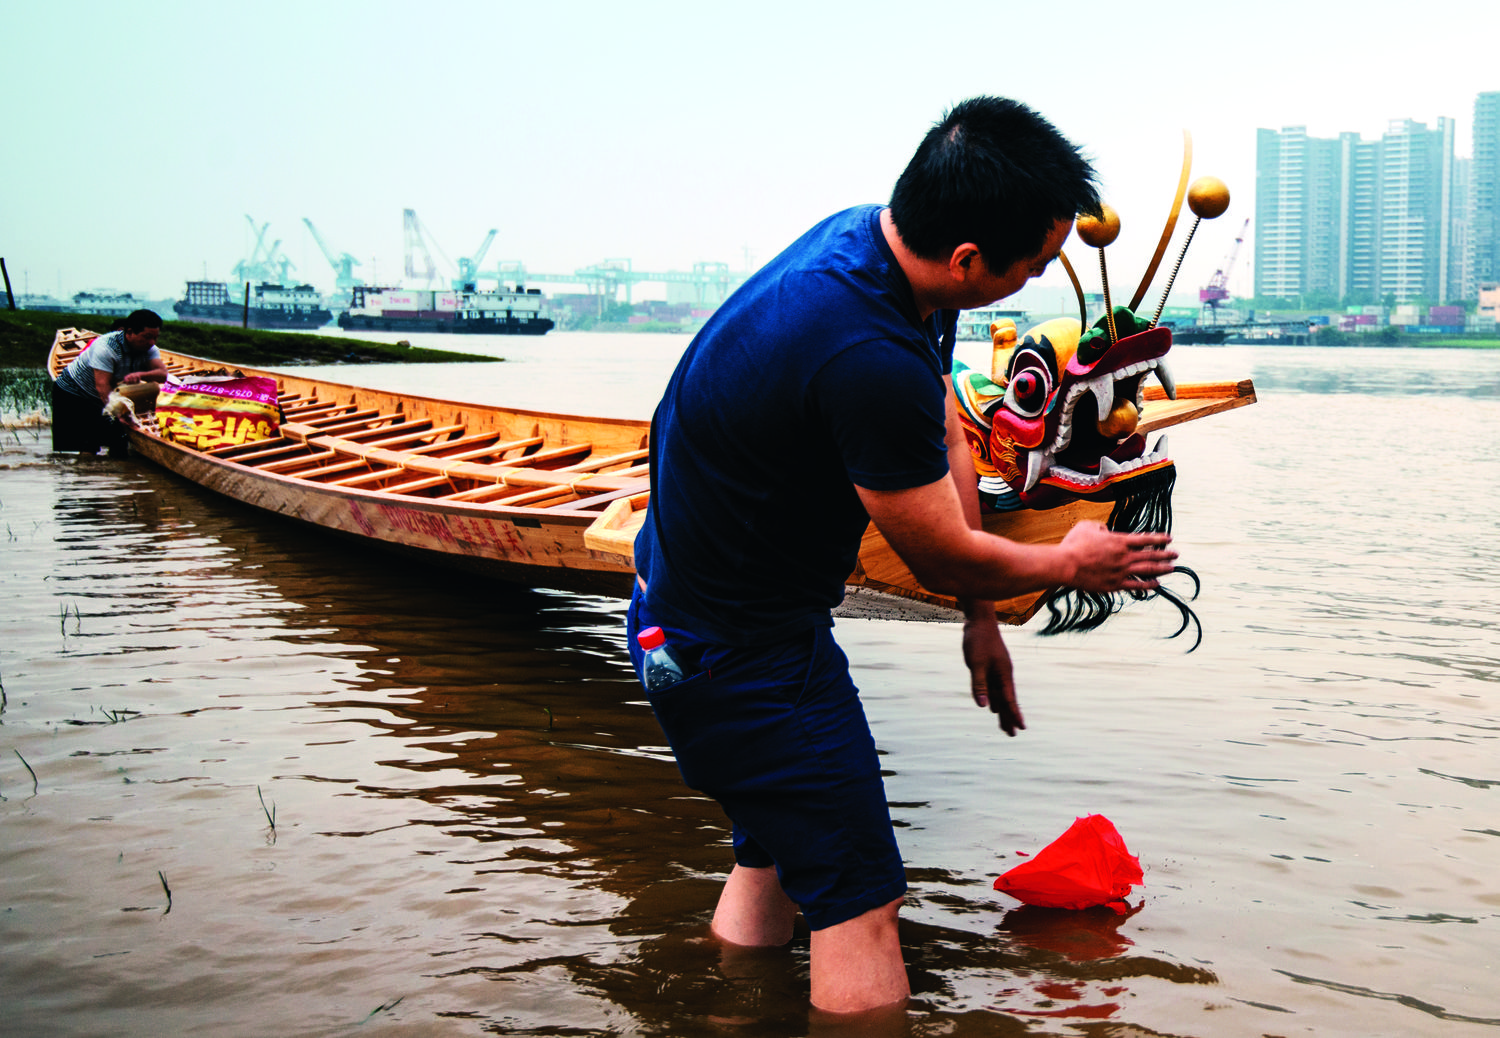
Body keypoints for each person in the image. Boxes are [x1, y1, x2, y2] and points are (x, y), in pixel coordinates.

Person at [625, 96, 1178, 1017]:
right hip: (737, 655)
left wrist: (980, 617)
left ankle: (727, 1010)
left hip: (703, 627)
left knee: (775, 848)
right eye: (1032, 267)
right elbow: (936, 554)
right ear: (969, 260)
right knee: (864, 905)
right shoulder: (861, 345)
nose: (1034, 281)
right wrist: (1068, 562)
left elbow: (948, 439)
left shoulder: (880, 253)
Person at [51, 308, 168, 455]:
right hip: (74, 392)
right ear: (130, 332)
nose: (151, 342)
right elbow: (102, 387)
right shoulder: (106, 348)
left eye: (155, 338)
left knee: (119, 444)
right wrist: (119, 414)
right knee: (87, 447)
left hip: (106, 392)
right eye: (147, 337)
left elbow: (162, 375)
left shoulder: (150, 348)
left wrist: (141, 374)